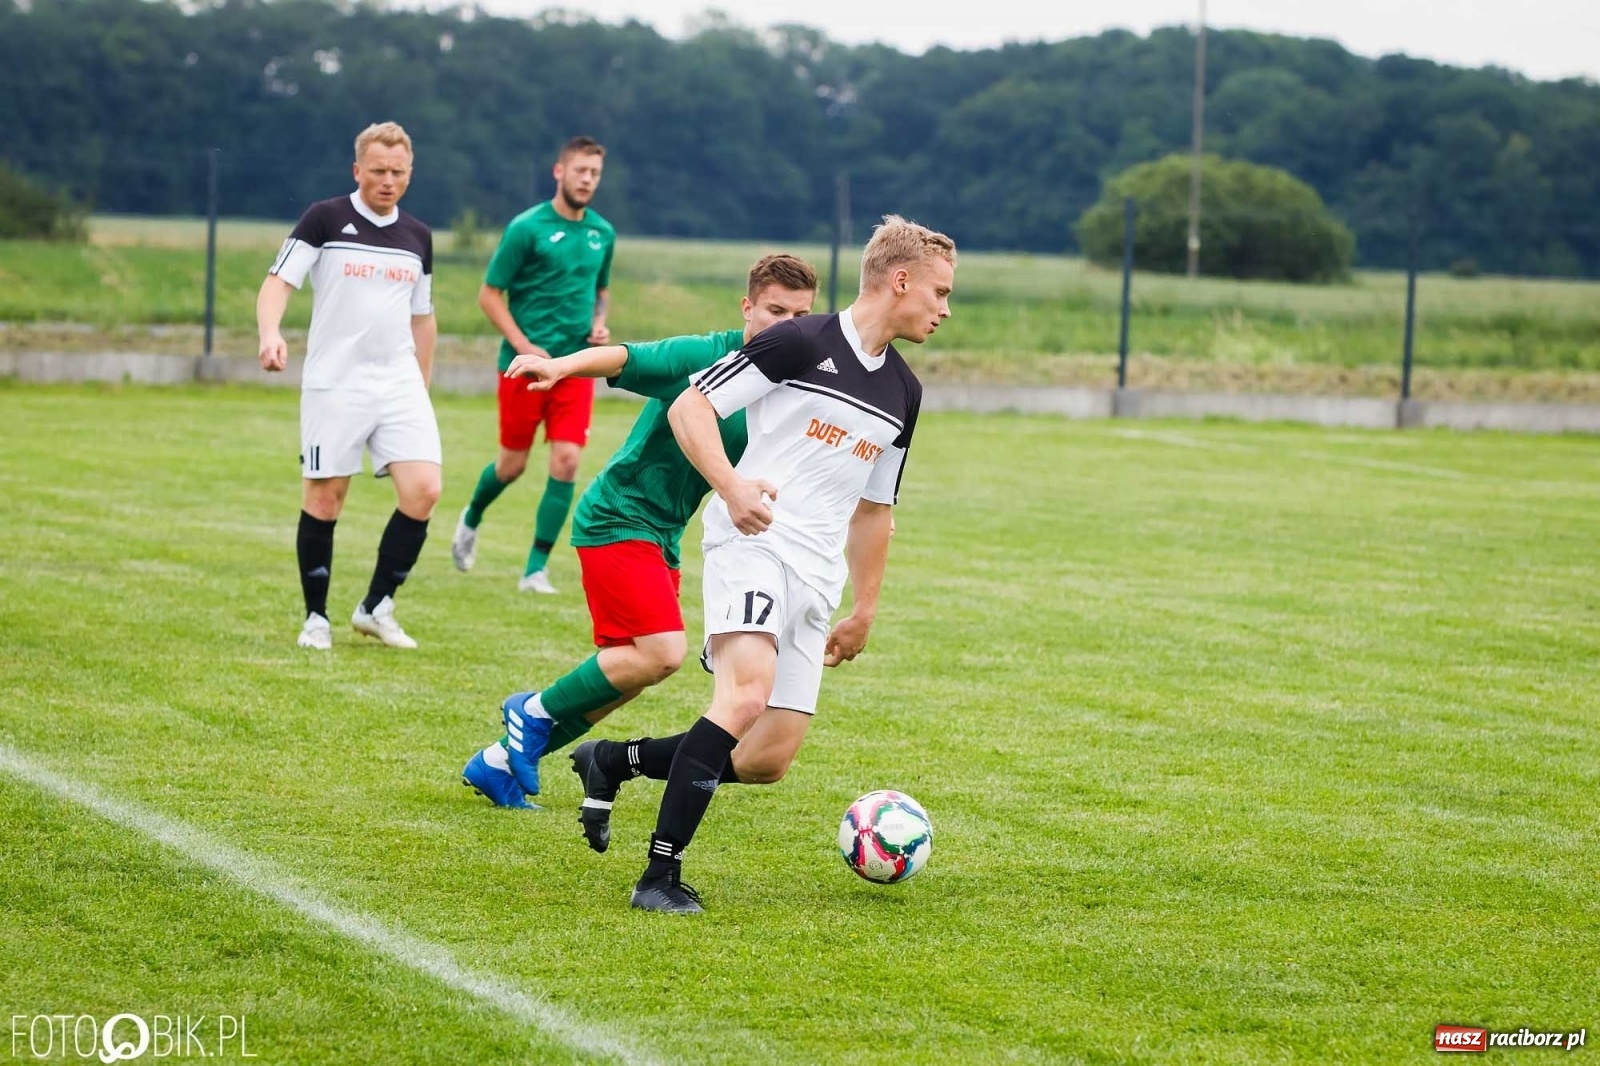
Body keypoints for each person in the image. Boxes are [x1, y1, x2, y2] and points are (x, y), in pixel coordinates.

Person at [627, 215, 956, 914]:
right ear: (900, 281)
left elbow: (874, 511)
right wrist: (731, 486)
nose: (945, 309)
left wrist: (865, 608)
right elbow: (692, 408)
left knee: (765, 756)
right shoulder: (799, 339)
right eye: (939, 293)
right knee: (743, 697)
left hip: (815, 573)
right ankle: (658, 876)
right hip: (752, 542)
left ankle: (616, 760)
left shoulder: (905, 391)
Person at [458, 254, 819, 819]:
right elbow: (628, 356)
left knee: (626, 676)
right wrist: (560, 366)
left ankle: (500, 763)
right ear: (747, 307)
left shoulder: (787, 383)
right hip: (618, 517)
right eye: (775, 311)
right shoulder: (709, 357)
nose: (786, 325)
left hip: (662, 533)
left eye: (800, 315)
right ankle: (529, 712)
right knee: (660, 653)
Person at [257, 121, 441, 651]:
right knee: (326, 497)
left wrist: (421, 384)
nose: (388, 181)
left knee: (424, 490)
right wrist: (270, 334)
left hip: (399, 382)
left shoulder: (418, 236)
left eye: (398, 172)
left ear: (410, 174)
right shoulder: (325, 218)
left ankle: (376, 606)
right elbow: (278, 283)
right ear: (358, 170)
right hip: (335, 382)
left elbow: (422, 318)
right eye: (378, 171)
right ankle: (317, 617)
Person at [450, 136, 614, 594]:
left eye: (595, 173)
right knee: (511, 467)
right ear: (559, 172)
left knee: (566, 461)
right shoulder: (526, 228)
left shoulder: (604, 233)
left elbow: (601, 292)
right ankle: (471, 517)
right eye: (580, 171)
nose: (587, 180)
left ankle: (535, 570)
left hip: (575, 367)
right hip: (524, 368)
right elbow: (489, 294)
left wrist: (600, 324)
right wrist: (525, 345)